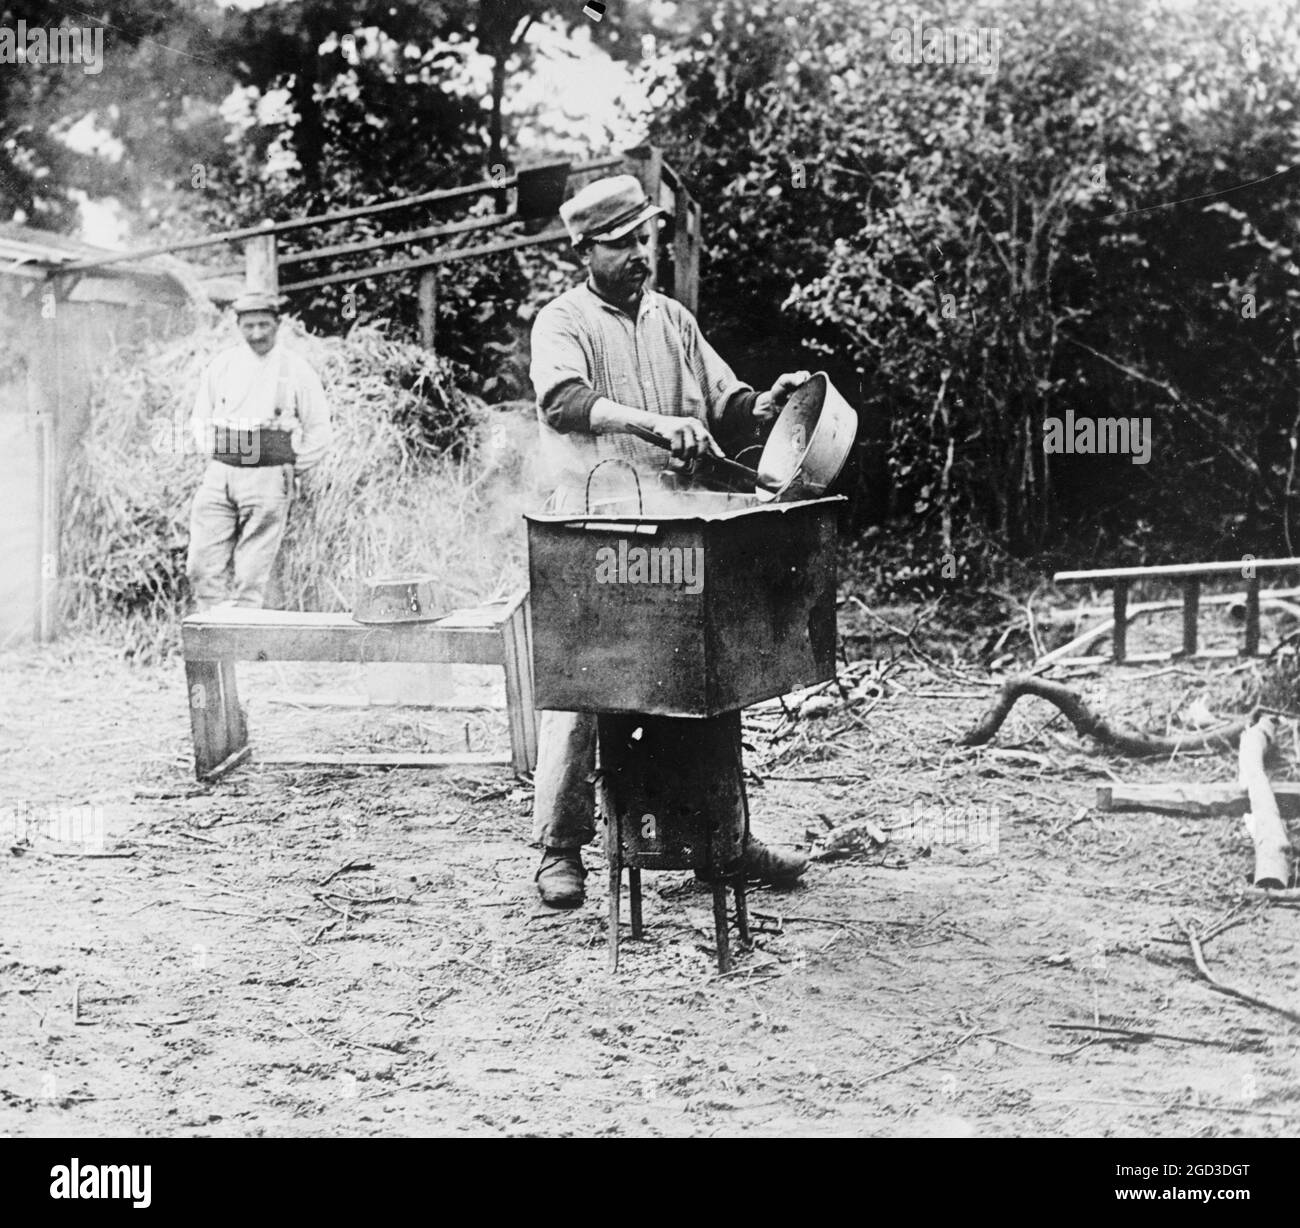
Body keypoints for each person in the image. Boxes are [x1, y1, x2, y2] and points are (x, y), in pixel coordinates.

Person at [528, 173, 813, 908]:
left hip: (681, 523)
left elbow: (728, 403)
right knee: (583, 684)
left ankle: (725, 842)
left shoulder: (673, 320)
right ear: (585, 249)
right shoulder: (562, 321)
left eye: (643, 239)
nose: (637, 255)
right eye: (620, 243)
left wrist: (765, 404)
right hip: (596, 528)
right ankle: (560, 851)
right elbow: (563, 403)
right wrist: (651, 425)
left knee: (706, 678)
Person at [186, 291, 333, 611]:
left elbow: (320, 429)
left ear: (278, 324)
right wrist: (217, 454)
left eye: (264, 325)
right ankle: (213, 644)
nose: (257, 334)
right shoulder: (222, 365)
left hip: (268, 476)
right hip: (221, 474)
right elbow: (200, 419)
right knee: (200, 565)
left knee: (251, 576)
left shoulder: (296, 369)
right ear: (238, 326)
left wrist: (289, 465)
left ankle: (243, 649)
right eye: (249, 325)